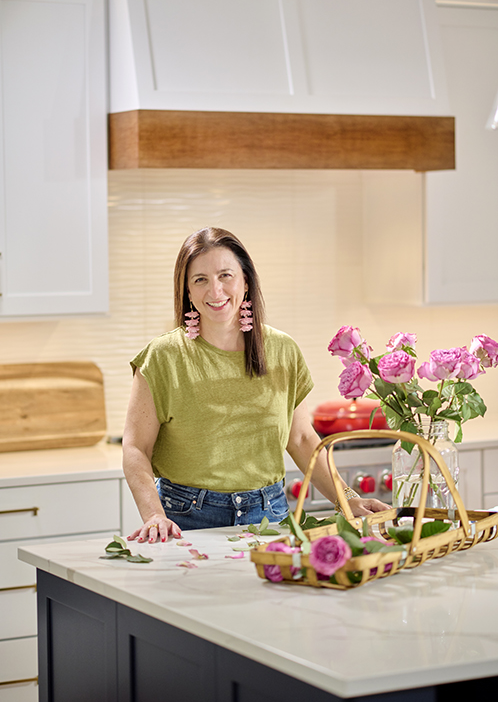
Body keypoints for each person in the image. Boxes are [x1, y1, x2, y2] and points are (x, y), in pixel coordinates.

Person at [123, 227, 389, 543]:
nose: (215, 290)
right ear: (187, 292)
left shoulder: (282, 350)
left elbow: (302, 438)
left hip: (271, 517)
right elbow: (136, 447)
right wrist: (154, 515)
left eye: (225, 275)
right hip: (186, 520)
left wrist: (347, 499)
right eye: (200, 280)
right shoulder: (164, 357)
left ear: (246, 282)